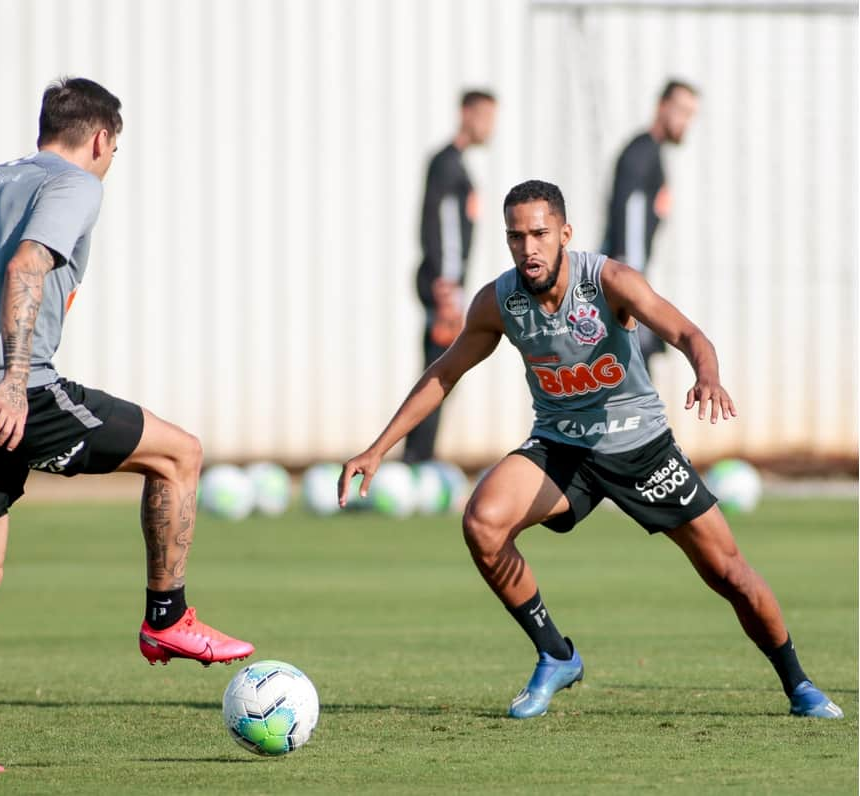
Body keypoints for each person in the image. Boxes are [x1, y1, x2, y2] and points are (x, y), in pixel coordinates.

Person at [339, 179, 842, 721]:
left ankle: (799, 683)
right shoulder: (499, 301)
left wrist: (708, 376)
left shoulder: (609, 281)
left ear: (565, 234)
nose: (528, 248)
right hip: (561, 448)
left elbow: (690, 334)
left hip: (641, 449)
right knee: (483, 522)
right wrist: (377, 449)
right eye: (515, 237)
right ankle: (556, 654)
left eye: (539, 234)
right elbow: (445, 374)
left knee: (729, 575)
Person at [0, 77, 254, 775]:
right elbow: (28, 263)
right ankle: (167, 617)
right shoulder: (77, 183)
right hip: (14, 392)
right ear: (102, 138)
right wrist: (18, 382)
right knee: (180, 455)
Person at [404, 89, 498, 465]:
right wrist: (449, 290)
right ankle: (416, 461)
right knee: (438, 374)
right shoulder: (447, 164)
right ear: (467, 114)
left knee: (441, 372)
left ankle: (420, 456)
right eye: (486, 117)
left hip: (449, 286)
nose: (490, 127)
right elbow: (444, 229)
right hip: (445, 288)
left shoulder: (456, 165)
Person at [601, 79, 699, 373]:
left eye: (691, 114)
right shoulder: (641, 153)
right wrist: (632, 281)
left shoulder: (651, 154)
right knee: (636, 369)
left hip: (628, 276)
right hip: (625, 278)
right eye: (681, 110)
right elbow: (628, 216)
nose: (685, 121)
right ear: (662, 107)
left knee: (631, 371)